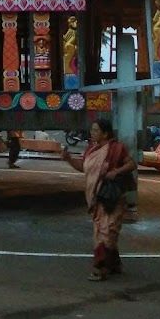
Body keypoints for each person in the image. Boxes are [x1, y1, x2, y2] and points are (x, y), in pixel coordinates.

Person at [62, 118, 136, 280]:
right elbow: (84, 168)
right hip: (96, 197)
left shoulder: (117, 149)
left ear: (105, 133)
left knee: (107, 230)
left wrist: (116, 172)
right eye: (92, 130)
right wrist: (68, 159)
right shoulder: (91, 149)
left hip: (113, 197)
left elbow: (131, 164)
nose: (92, 133)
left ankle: (100, 267)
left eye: (96, 130)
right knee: (104, 230)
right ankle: (114, 264)